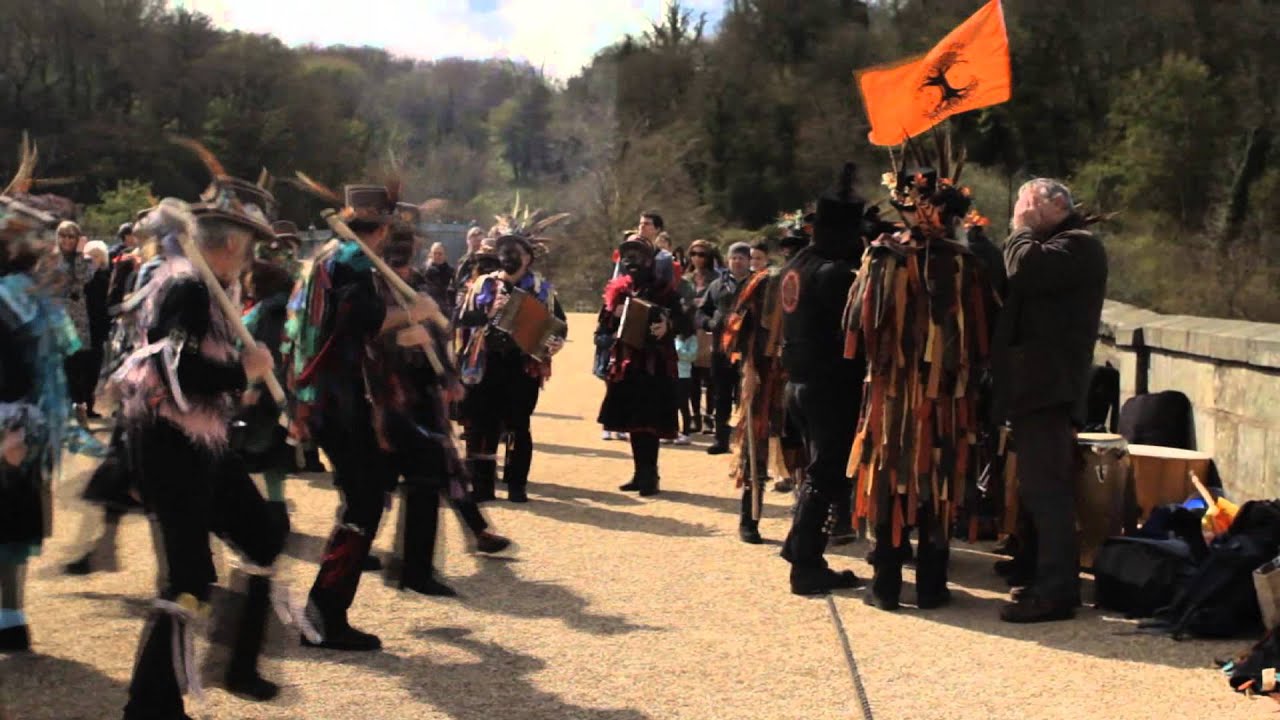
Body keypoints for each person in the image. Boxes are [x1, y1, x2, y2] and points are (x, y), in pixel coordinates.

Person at [110, 180, 296, 716]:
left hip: (205, 443)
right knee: (188, 579)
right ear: (232, 243)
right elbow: (170, 371)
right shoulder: (186, 287)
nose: (252, 259)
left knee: (263, 537)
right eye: (250, 246)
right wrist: (242, 371)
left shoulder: (210, 289)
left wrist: (240, 377)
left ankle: (235, 668)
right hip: (169, 447)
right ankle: (150, 708)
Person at [290, 182, 439, 651]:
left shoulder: (329, 257)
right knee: (366, 499)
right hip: (340, 397)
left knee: (372, 491)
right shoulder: (353, 261)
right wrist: (412, 314)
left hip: (330, 394)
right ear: (384, 228)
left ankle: (326, 610)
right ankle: (324, 615)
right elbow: (356, 320)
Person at [849, 166, 997, 612]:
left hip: (898, 395)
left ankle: (887, 585)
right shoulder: (966, 264)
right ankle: (930, 586)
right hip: (941, 397)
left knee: (894, 481)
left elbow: (856, 326)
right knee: (937, 483)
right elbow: (985, 337)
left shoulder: (882, 259)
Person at [993, 178, 1108, 623]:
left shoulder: (1079, 246)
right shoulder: (1057, 245)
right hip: (1034, 389)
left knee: (1048, 492)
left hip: (1050, 389)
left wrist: (1020, 229)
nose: (1020, 211)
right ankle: (1039, 574)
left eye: (1028, 203)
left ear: (1056, 205)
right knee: (1036, 489)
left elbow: (1025, 269)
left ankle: (1057, 592)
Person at [380, 228, 511, 597]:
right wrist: (397, 340)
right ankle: (361, 550)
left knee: (441, 466)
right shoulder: (372, 290)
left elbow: (440, 334)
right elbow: (359, 341)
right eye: (396, 254)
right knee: (379, 483)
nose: (403, 263)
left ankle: (467, 535)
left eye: (408, 254)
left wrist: (449, 376)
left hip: (423, 395)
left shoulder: (421, 287)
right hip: (387, 397)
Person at [0, 192, 87, 653]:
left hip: (17, 423)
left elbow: (37, 364)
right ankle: (10, 619)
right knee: (13, 520)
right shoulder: (22, 295)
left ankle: (10, 619)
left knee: (13, 521)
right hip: (19, 423)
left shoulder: (19, 295)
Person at [778, 163, 867, 595]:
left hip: (797, 383)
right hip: (828, 387)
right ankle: (806, 563)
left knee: (818, 470)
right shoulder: (834, 274)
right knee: (827, 475)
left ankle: (799, 548)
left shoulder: (797, 263)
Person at [456, 211, 568, 503]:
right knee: (483, 424)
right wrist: (488, 312)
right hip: (487, 364)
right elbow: (461, 319)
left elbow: (560, 326)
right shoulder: (483, 284)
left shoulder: (542, 289)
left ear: (528, 257)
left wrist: (553, 343)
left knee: (518, 424)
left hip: (522, 366)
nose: (507, 256)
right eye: (503, 250)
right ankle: (482, 486)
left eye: (514, 251)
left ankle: (517, 485)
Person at [598, 233, 690, 496]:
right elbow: (602, 329)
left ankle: (650, 475)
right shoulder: (618, 291)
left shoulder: (664, 290)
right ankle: (640, 474)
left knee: (649, 422)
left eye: (637, 255)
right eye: (627, 256)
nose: (632, 261)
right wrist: (613, 316)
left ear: (649, 260)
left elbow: (684, 323)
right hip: (626, 365)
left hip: (655, 366)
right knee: (633, 422)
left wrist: (667, 326)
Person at [698, 242, 752, 455]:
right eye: (733, 258)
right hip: (721, 350)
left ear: (749, 261)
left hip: (748, 350)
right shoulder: (717, 285)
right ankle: (721, 440)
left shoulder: (757, 285)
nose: (737, 262)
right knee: (721, 395)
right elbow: (701, 312)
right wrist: (710, 323)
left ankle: (745, 442)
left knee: (745, 396)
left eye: (741, 258)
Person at [684, 239, 719, 436]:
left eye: (701, 254)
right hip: (689, 331)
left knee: (710, 377)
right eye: (694, 254)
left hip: (708, 332)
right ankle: (695, 416)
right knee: (692, 378)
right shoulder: (685, 278)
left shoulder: (716, 279)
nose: (697, 258)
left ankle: (709, 417)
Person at [82, 240, 111, 418]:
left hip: (98, 329)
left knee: (94, 369)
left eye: (97, 256)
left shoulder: (105, 278)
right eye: (90, 255)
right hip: (81, 328)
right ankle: (80, 405)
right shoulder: (80, 278)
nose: (93, 259)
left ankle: (89, 406)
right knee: (81, 368)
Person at [422, 240, 454, 317]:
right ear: (430, 254)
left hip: (445, 311)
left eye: (440, 254)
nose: (437, 256)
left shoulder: (451, 272)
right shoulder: (424, 272)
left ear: (445, 255)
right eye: (434, 253)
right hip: (427, 310)